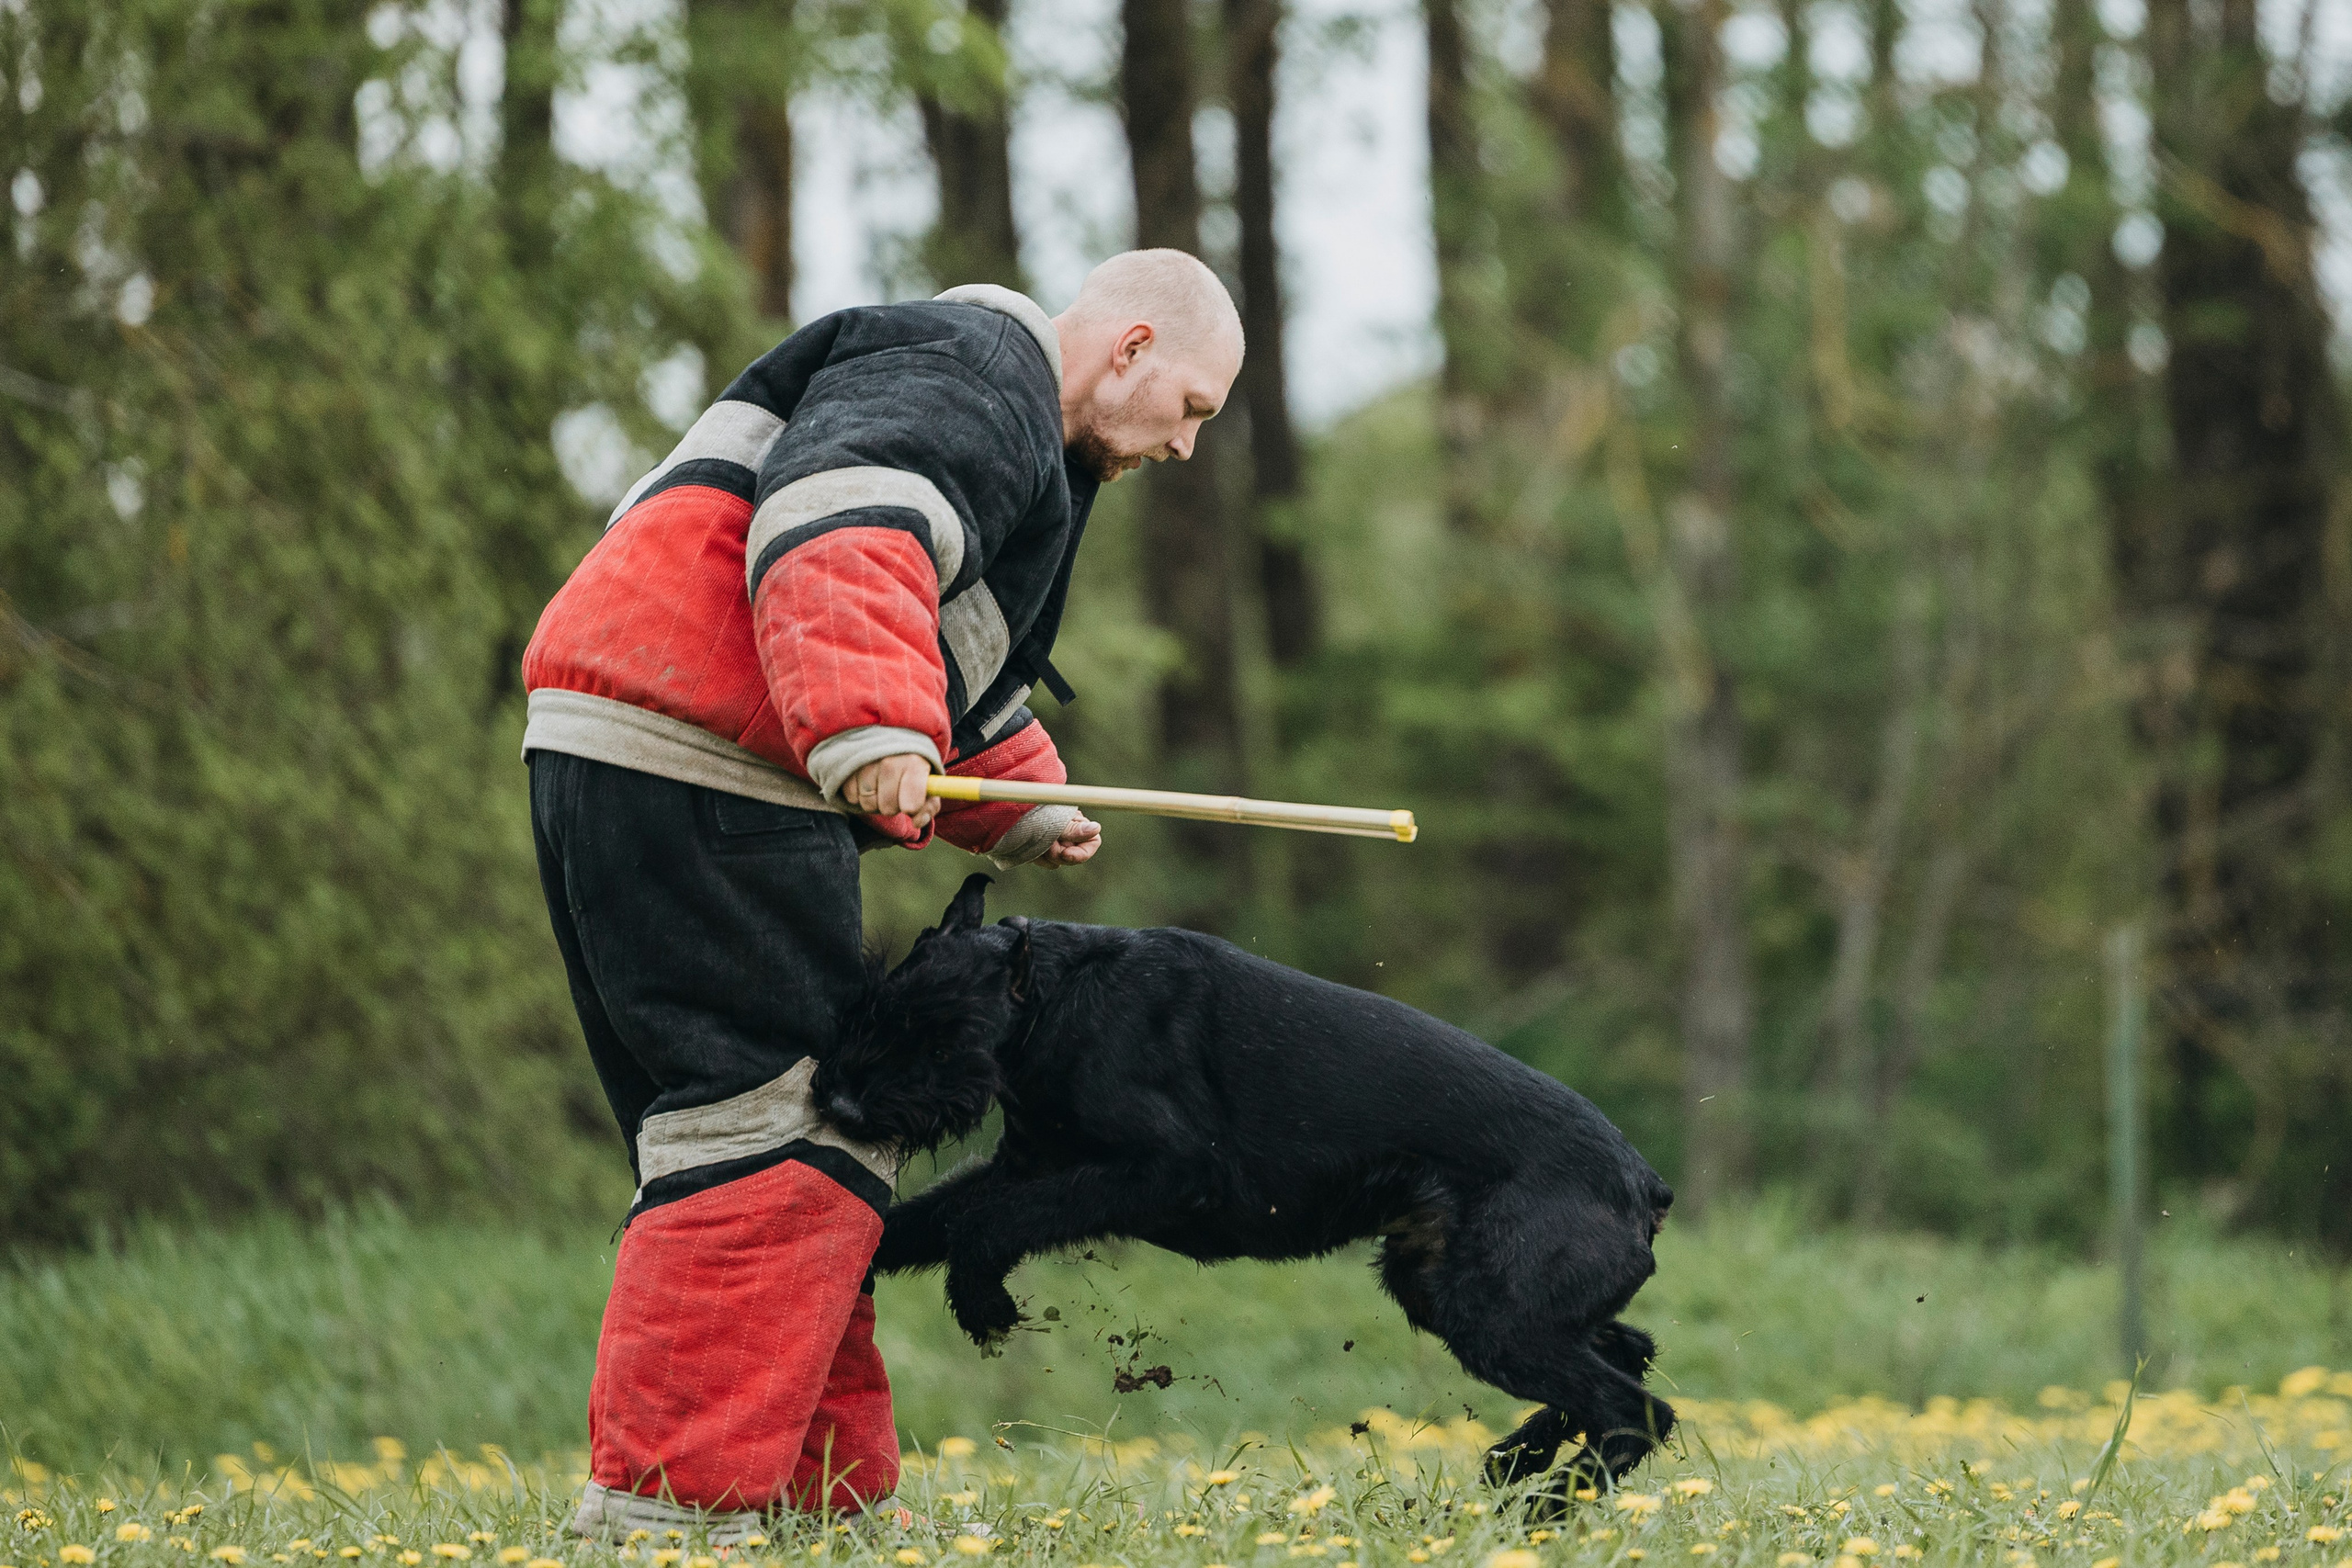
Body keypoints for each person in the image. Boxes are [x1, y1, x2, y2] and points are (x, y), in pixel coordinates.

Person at [520, 250, 1245, 1541]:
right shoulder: (982, 372)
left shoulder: (975, 402)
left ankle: (821, 1502)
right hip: (712, 768)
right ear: (1130, 347)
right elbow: (846, 522)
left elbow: (933, 633)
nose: (1186, 448)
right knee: (781, 1133)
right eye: (1190, 408)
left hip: (629, 750)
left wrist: (1020, 800)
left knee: (789, 1134)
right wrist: (864, 730)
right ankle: (668, 1517)